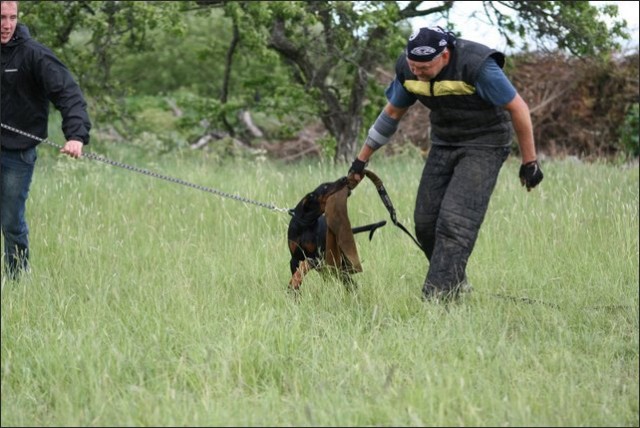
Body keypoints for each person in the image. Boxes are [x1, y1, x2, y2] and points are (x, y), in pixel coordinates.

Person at [347, 27, 543, 301]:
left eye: (425, 67)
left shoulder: (477, 66)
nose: (418, 73)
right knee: (425, 223)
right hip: (444, 141)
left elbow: (518, 108)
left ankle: (437, 295)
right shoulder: (409, 70)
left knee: (456, 222)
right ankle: (455, 282)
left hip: (485, 143)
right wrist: (360, 160)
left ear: (445, 56)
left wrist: (529, 162)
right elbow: (391, 114)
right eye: (414, 66)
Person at [1, 0, 91, 280]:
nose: (6, 24)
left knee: (11, 221)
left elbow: (68, 94)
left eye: (12, 17)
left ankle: (18, 280)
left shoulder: (33, 55)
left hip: (18, 153)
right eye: (1, 17)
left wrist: (76, 135)